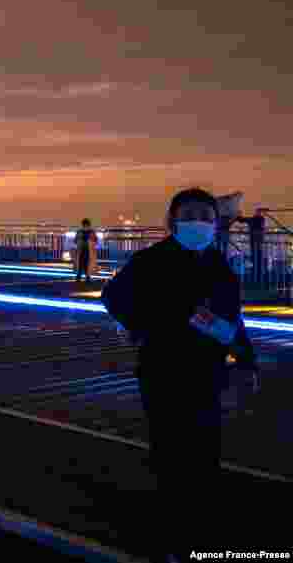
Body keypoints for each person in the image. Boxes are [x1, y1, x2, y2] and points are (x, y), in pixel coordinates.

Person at [101, 187, 260, 556]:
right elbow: (113, 297)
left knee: (205, 444)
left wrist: (246, 359)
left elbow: (232, 320)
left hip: (208, 367)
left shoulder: (219, 265)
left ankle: (200, 523)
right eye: (189, 215)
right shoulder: (151, 261)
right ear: (172, 221)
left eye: (206, 217)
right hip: (165, 366)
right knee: (171, 446)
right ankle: (171, 530)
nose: (198, 223)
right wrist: (146, 327)